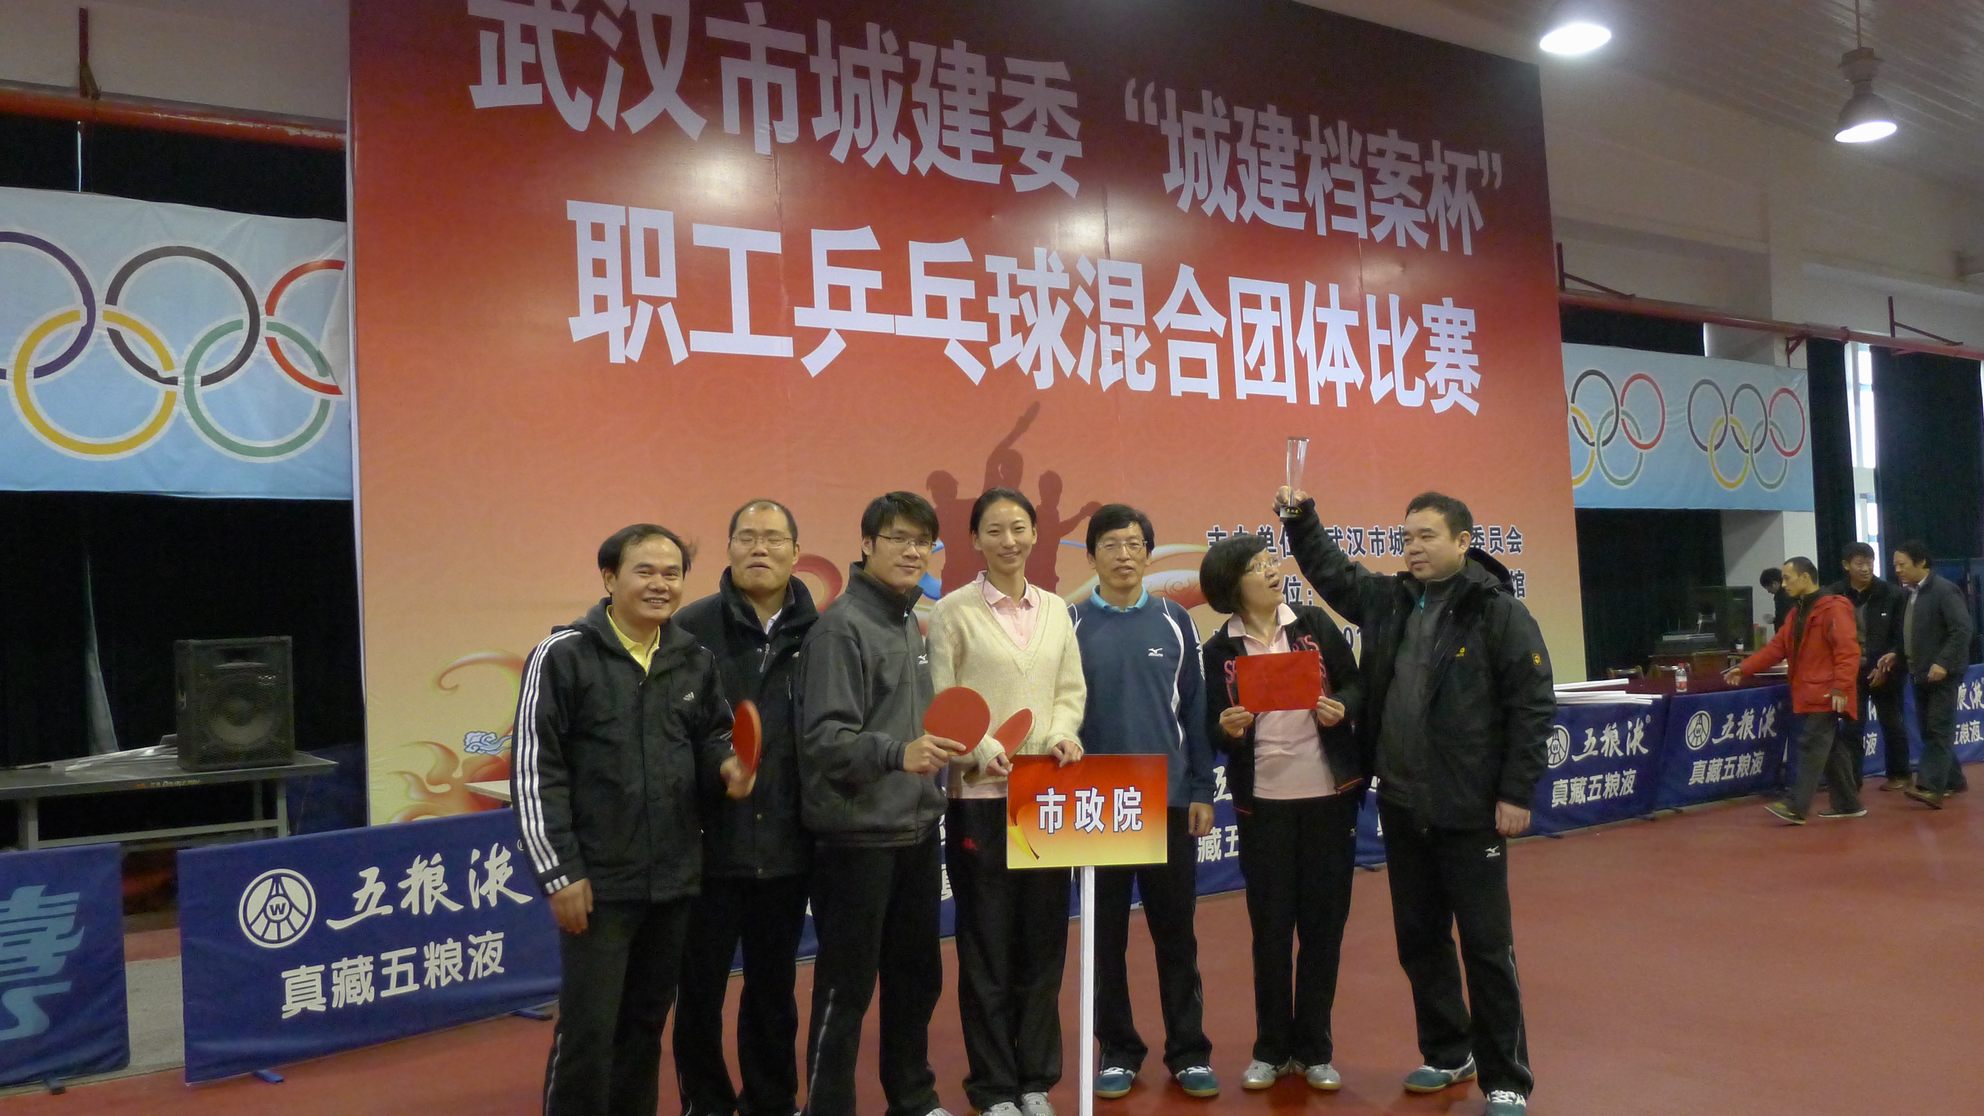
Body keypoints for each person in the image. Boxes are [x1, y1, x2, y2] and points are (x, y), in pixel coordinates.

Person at [1282, 486, 1551, 1116]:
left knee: (1486, 947)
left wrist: (1516, 791)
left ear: (1463, 541)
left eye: (1427, 536)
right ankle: (1448, 1051)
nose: (1414, 548)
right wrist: (1301, 519)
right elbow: (1331, 571)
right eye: (1406, 538)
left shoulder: (1497, 612)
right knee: (1420, 939)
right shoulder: (1391, 599)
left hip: (1470, 809)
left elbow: (1532, 706)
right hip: (1402, 805)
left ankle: (1507, 1077)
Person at [511, 523, 756, 1116]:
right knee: (588, 1032)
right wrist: (560, 873)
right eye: (644, 571)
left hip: (672, 879)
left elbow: (712, 737)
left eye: (672, 573)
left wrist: (726, 766)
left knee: (645, 1025)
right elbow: (536, 772)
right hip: (597, 883)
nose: (660, 585)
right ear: (609, 577)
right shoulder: (562, 656)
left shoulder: (693, 658)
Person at [798, 492, 966, 1116]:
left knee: (915, 979)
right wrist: (899, 754)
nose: (912, 551)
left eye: (922, 541)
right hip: (856, 838)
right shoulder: (840, 628)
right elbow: (824, 740)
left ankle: (913, 1099)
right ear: (867, 544)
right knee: (846, 990)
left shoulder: (908, 619)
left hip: (915, 831)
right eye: (898, 538)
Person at [927, 487, 1087, 1116]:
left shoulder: (1057, 610)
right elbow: (942, 699)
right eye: (994, 530)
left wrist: (1065, 733)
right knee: (987, 946)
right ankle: (993, 1086)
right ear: (974, 540)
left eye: (1019, 528)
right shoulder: (953, 613)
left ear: (1035, 535)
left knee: (1044, 944)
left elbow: (1069, 689)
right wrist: (983, 747)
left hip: (1044, 794)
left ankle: (1035, 1080)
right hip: (981, 797)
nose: (1009, 541)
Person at [1198, 532, 1364, 1095]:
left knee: (1323, 928)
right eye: (1256, 566)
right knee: (1270, 931)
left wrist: (1343, 708)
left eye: (1271, 561)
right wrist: (1226, 727)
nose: (1271, 570)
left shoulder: (1312, 625)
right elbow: (1210, 726)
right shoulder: (1220, 650)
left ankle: (1314, 1049)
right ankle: (1270, 1049)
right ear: (1231, 586)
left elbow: (1357, 684)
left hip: (1328, 800)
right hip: (1263, 805)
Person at [672, 500, 819, 1116]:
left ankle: (771, 1099)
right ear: (730, 547)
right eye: (748, 537)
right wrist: (715, 773)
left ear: (795, 552)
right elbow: (672, 732)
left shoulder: (820, 632)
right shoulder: (689, 628)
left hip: (787, 845)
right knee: (698, 992)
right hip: (705, 845)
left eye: (774, 538)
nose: (760, 548)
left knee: (773, 988)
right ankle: (705, 1103)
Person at [1071, 505, 1221, 1102]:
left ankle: (1189, 1051)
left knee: (1175, 934)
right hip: (1097, 804)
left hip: (1167, 801)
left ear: (1149, 554)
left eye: (1135, 544)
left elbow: (1197, 710)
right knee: (1104, 938)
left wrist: (1202, 790)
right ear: (1091, 557)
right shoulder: (1069, 623)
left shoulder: (1176, 622)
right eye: (1111, 544)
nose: (1124, 555)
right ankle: (1118, 1051)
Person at [1724, 557, 1863, 823]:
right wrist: (1744, 668)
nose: (1784, 584)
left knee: (1810, 744)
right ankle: (1848, 803)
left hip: (1827, 693)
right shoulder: (1796, 612)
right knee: (1830, 749)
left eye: (1788, 578)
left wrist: (1840, 688)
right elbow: (1776, 648)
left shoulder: (1834, 608)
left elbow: (1848, 651)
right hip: (1809, 691)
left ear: (1805, 577)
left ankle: (1795, 806)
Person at [1893, 541, 1975, 808]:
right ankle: (1954, 779)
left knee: (1938, 728)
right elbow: (1911, 633)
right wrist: (1896, 654)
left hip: (1943, 673)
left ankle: (1929, 787)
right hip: (1919, 672)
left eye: (1902, 564)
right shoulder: (1909, 594)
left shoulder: (1944, 590)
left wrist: (1943, 662)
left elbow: (1962, 630)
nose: (1897, 570)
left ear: (1921, 563)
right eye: (1895, 565)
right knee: (1929, 729)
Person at [1827, 542, 1910, 792]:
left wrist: (1887, 663)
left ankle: (1900, 774)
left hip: (1886, 669)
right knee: (1852, 727)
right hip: (1850, 671)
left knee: (1892, 723)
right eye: (1859, 563)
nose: (1866, 568)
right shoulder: (1833, 594)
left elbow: (1901, 634)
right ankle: (1852, 780)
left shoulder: (1893, 594)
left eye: (1870, 562)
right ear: (1846, 565)